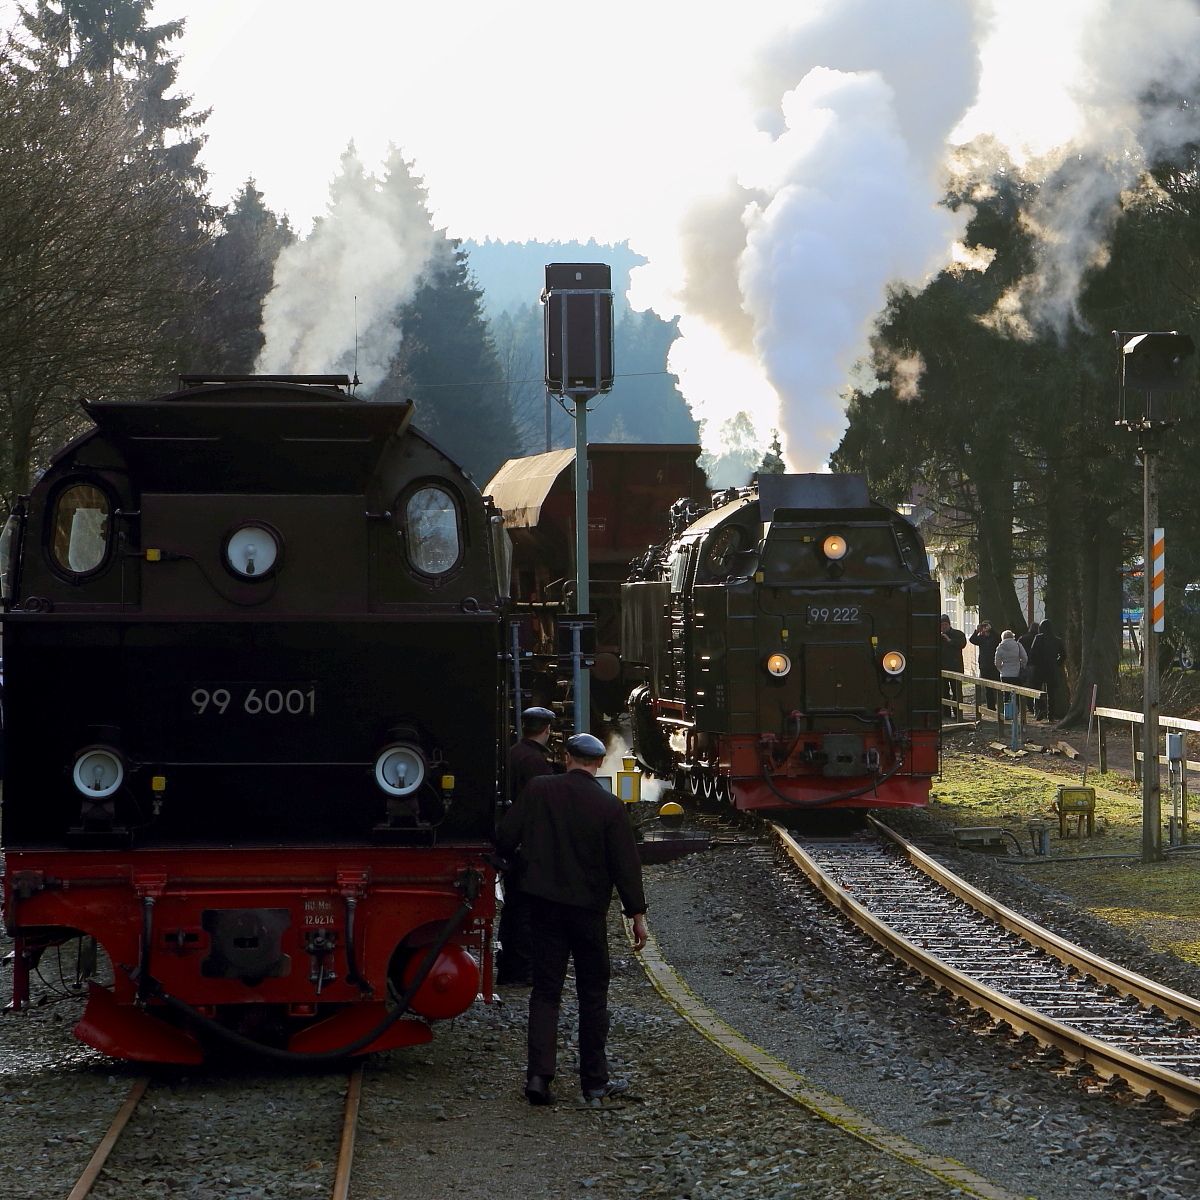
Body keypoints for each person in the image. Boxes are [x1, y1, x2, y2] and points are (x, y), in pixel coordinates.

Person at [496, 732, 648, 1107]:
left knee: (546, 991)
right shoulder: (610, 806)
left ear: (566, 757)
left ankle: (538, 1077)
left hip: (543, 908)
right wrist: (636, 915)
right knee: (593, 995)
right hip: (589, 913)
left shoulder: (538, 789)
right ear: (597, 764)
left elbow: (503, 837)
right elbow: (625, 866)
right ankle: (594, 1084)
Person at [497, 707, 564, 986]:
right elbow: (539, 807)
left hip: (514, 842)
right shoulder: (535, 762)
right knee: (527, 913)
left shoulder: (514, 753)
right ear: (547, 730)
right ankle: (522, 971)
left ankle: (510, 968)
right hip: (530, 846)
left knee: (514, 910)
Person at [1027, 619, 1065, 721]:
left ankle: (1041, 709)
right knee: (1051, 693)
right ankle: (1050, 715)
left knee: (1037, 690)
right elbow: (1063, 655)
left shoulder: (1038, 638)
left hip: (1040, 668)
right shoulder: (1057, 640)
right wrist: (1056, 664)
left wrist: (1036, 663)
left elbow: (1033, 652)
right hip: (1051, 668)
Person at [994, 630, 1028, 720]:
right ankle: (1016, 711)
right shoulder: (1018, 645)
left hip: (1005, 673)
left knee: (1006, 694)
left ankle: (1007, 712)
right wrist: (1022, 666)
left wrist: (1001, 669)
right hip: (1016, 673)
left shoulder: (1000, 647)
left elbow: (997, 662)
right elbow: (1024, 658)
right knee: (1017, 693)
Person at [940, 615, 967, 714]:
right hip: (942, 667)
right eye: (941, 625)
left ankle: (958, 713)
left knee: (957, 692)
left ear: (949, 624)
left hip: (956, 667)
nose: (943, 627)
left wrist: (950, 641)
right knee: (944, 692)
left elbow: (962, 644)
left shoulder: (958, 634)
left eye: (945, 625)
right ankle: (945, 713)